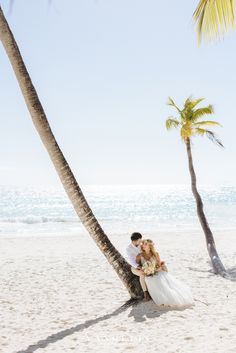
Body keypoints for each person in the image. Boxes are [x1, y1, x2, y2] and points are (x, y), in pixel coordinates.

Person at [136, 239, 194, 307]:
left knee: (160, 279)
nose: (143, 245)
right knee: (151, 280)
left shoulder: (156, 254)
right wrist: (144, 269)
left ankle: (169, 297)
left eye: (145, 244)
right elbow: (137, 265)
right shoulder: (139, 255)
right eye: (143, 244)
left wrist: (155, 269)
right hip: (147, 274)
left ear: (150, 246)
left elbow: (159, 265)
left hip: (156, 271)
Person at [126, 232, 151, 301]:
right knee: (142, 274)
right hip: (134, 267)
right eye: (139, 241)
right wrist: (139, 267)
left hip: (145, 264)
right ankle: (145, 293)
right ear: (134, 241)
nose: (140, 242)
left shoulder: (141, 245)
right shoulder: (129, 249)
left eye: (141, 240)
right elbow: (131, 261)